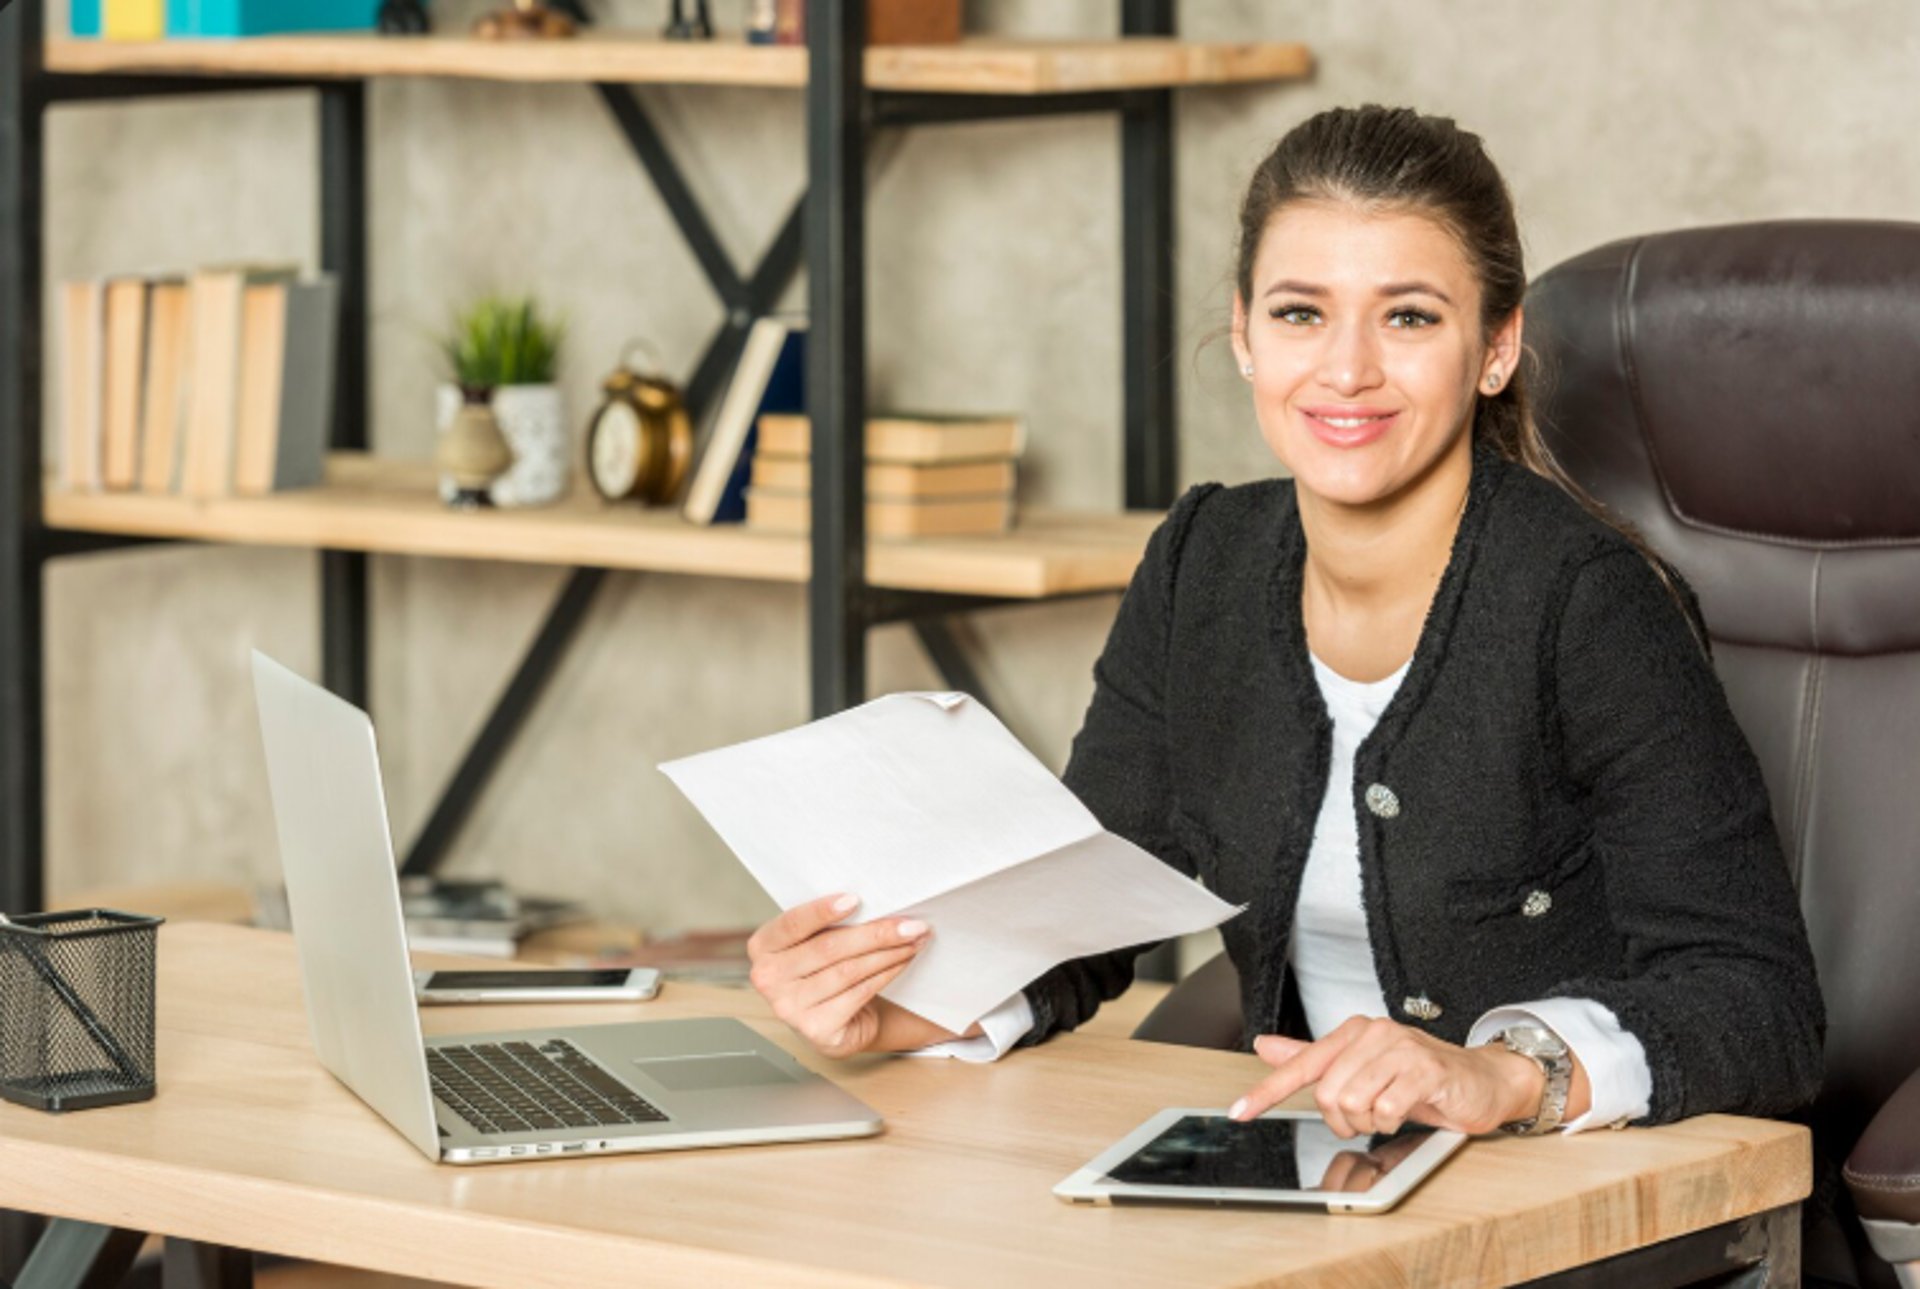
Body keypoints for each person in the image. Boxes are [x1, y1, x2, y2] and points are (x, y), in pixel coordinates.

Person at [743, 104, 1824, 1143]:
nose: (1346, 369)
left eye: (1409, 316)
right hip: (1311, 1167)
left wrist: (1497, 1073)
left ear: (1496, 349)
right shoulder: (1201, 560)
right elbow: (1089, 902)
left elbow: (1759, 999)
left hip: (1563, 1189)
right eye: (1301, 312)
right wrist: (909, 1007)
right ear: (1246, 336)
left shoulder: (1584, 597)